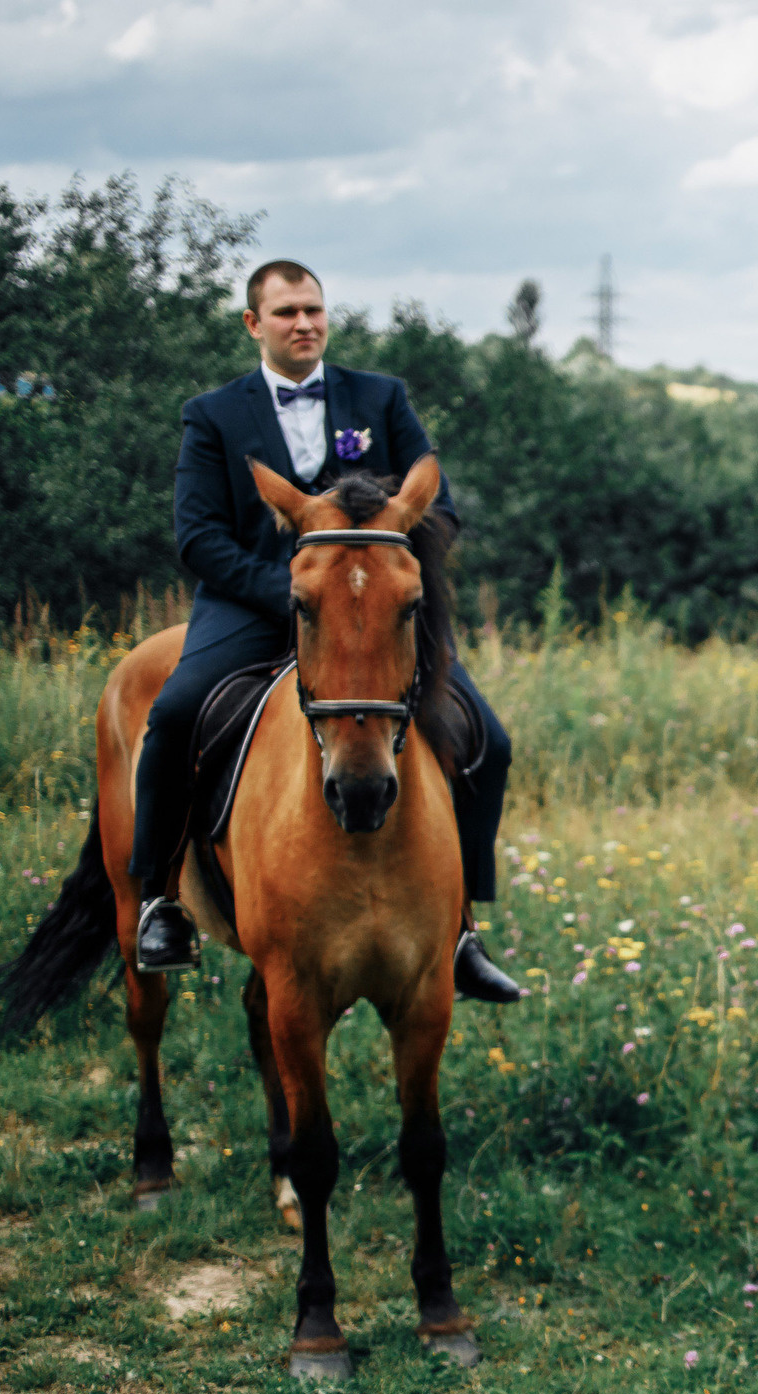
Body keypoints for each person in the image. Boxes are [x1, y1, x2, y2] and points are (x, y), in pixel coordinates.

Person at [133, 258, 520, 1002]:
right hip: (254, 605)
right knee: (175, 712)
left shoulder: (380, 397)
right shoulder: (211, 414)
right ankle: (160, 898)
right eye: (285, 313)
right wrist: (288, 591)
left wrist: (384, 554)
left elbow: (440, 511)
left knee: (488, 741)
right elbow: (197, 535)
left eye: (313, 309)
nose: (303, 323)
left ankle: (464, 929)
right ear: (254, 324)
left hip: (371, 614)